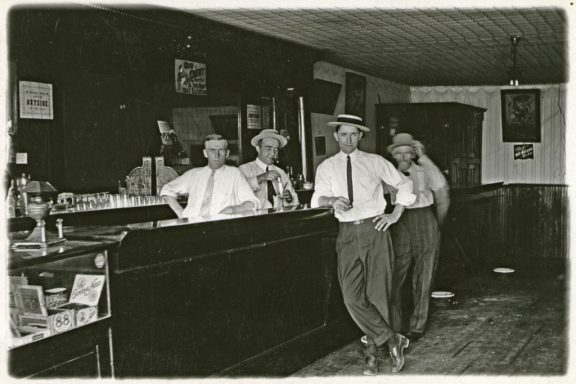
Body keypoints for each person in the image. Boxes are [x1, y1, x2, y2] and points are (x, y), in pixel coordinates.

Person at [311, 114, 416, 375]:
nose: (348, 139)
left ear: (360, 136)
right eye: (343, 134)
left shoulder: (375, 162)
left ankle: (372, 354)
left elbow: (405, 183)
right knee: (351, 297)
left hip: (374, 230)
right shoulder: (326, 167)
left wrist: (395, 214)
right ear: (336, 136)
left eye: (353, 134)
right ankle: (392, 339)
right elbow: (317, 198)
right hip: (346, 232)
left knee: (378, 294)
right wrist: (332, 200)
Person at [387, 133, 450, 343]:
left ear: (414, 153)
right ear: (394, 155)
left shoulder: (424, 169)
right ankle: (394, 326)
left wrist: (436, 224)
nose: (404, 156)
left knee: (424, 275)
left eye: (408, 152)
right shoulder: (387, 173)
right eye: (400, 152)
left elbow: (442, 190)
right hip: (399, 221)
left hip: (425, 218)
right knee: (395, 273)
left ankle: (417, 326)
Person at [161, 133, 260, 218]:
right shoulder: (193, 174)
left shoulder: (234, 174)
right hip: (191, 226)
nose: (216, 155)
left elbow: (252, 203)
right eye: (212, 150)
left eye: (221, 150)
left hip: (218, 228)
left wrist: (232, 210)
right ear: (205, 153)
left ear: (227, 153)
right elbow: (167, 189)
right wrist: (180, 213)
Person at [239, 129, 299, 209]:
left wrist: (289, 198)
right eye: (268, 148)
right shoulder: (244, 169)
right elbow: (238, 192)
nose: (273, 153)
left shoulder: (281, 172)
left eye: (276, 149)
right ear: (258, 149)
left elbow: (295, 201)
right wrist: (261, 177)